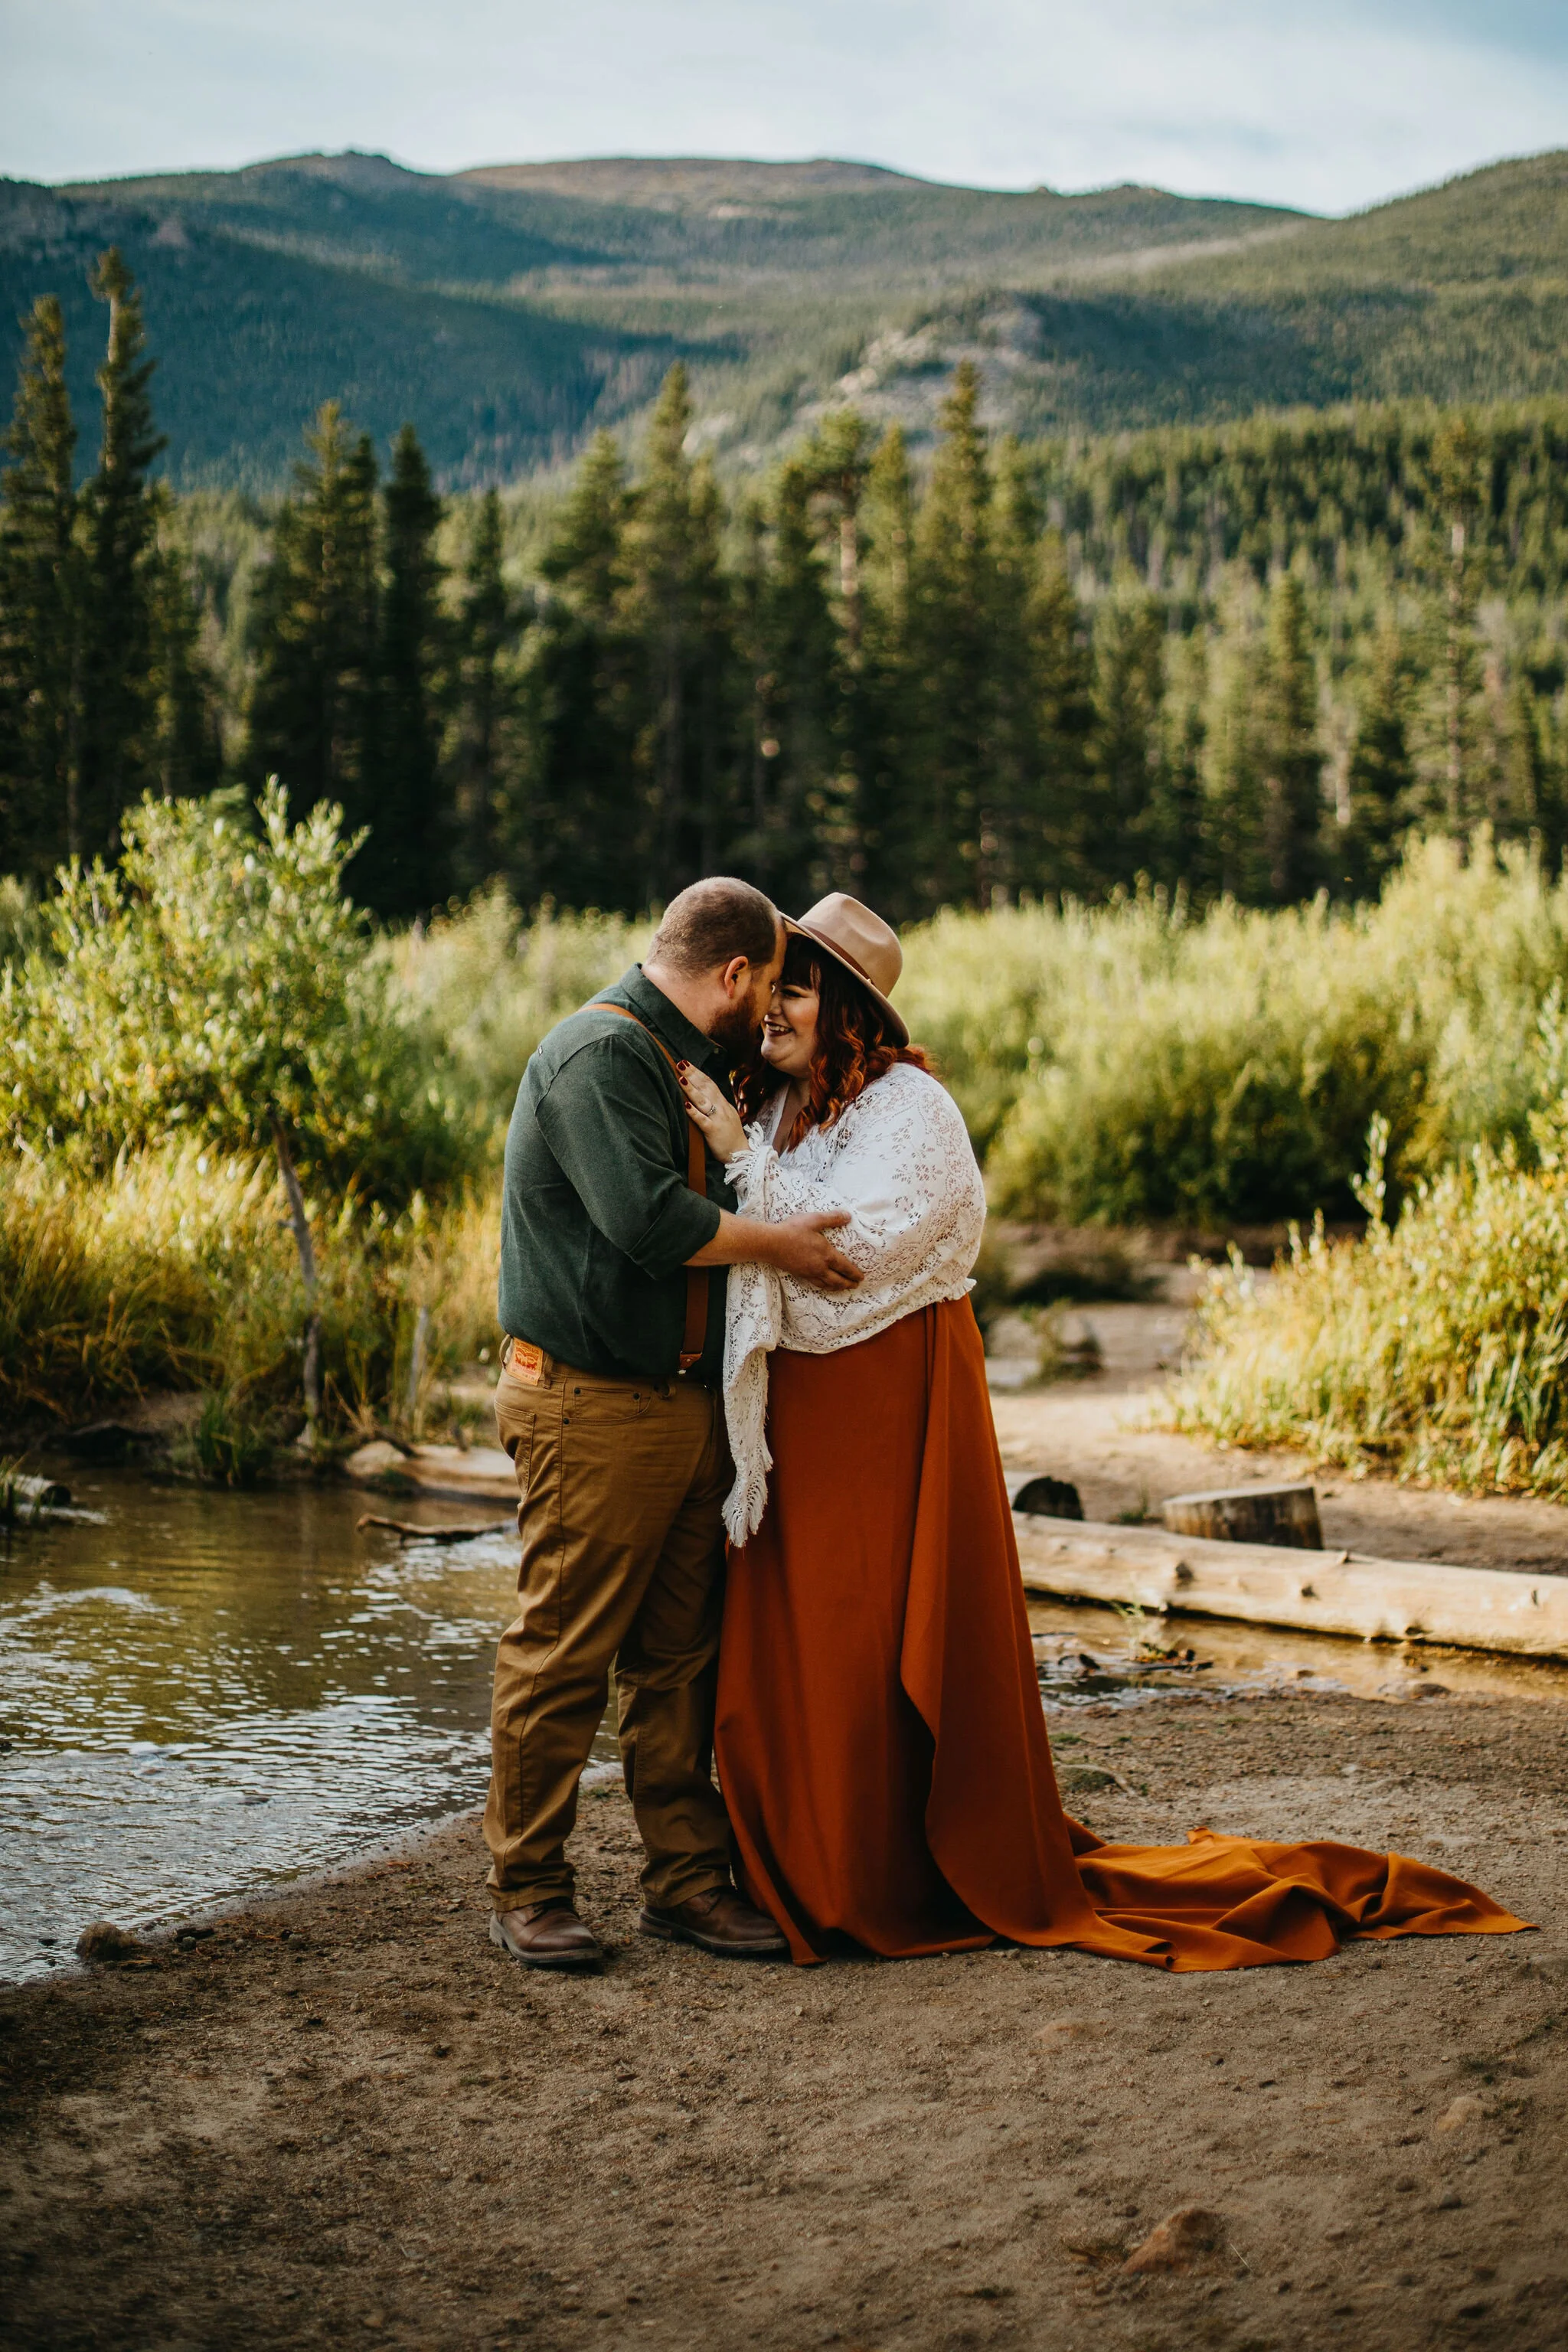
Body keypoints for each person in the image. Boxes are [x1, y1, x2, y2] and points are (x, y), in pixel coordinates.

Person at [678, 893, 1530, 1969]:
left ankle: (878, 1874)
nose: (775, 1011)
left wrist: (741, 1168)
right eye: (774, 987)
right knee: (796, 1644)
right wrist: (741, 1155)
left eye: (796, 990)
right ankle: (797, 1865)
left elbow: (852, 1260)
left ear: (848, 1010)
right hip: (795, 1422)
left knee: (865, 1639)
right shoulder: (781, 1106)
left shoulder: (911, 1110)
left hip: (891, 1411)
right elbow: (770, 1251)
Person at [485, 876, 866, 1972]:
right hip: (590, 1404)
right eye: (769, 989)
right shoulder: (600, 1057)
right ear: (735, 974)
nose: (772, 1011)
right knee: (563, 1653)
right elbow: (650, 1226)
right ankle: (528, 1888)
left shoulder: (695, 1061)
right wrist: (785, 1246)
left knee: (678, 1664)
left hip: (684, 1407)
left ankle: (686, 1886)